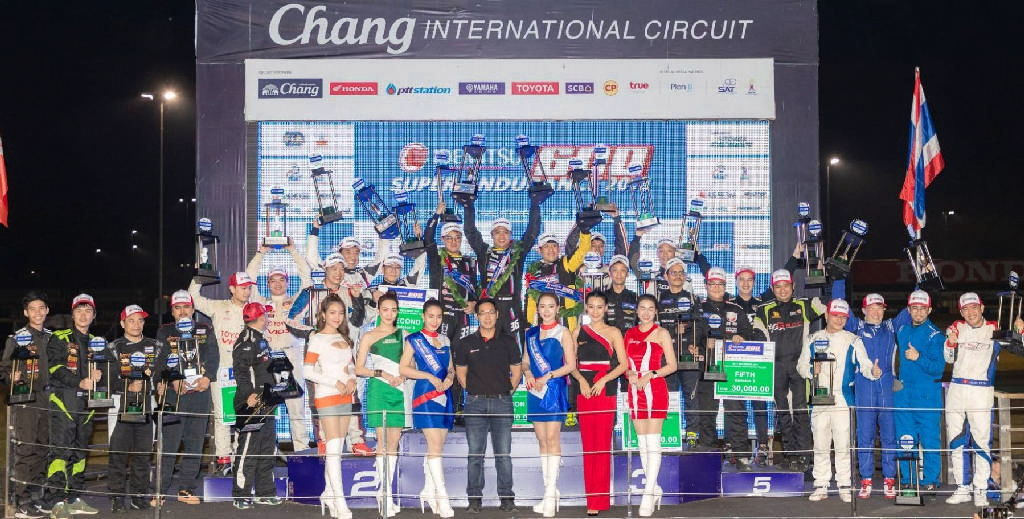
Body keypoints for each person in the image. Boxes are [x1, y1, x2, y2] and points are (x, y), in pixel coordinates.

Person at [943, 293, 1024, 507]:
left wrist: (1020, 331)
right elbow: (948, 359)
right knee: (956, 441)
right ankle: (962, 488)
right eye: (966, 309)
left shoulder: (995, 329)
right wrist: (950, 343)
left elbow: (1019, 349)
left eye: (974, 307)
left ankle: (980, 489)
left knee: (981, 443)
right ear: (961, 312)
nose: (971, 312)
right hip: (956, 389)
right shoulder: (956, 328)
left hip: (981, 391)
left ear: (982, 307)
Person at [831, 279, 910, 499]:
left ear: (884, 310)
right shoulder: (856, 326)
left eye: (880, 308)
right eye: (872, 308)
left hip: (886, 388)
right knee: (864, 436)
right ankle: (865, 479)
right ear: (864, 310)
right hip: (864, 388)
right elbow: (839, 303)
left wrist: (922, 278)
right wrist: (839, 278)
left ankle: (889, 479)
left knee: (889, 436)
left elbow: (912, 306)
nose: (876, 313)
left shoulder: (891, 326)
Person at [798, 299, 879, 503]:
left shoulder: (853, 340)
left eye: (843, 317)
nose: (839, 320)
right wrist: (811, 370)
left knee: (844, 445)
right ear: (826, 315)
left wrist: (873, 371)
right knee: (820, 444)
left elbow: (865, 365)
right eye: (836, 315)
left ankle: (844, 485)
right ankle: (821, 485)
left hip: (842, 398)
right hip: (819, 398)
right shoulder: (813, 338)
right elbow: (800, 366)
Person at [454, 297, 522, 513]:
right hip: (475, 404)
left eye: (491, 312)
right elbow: (461, 374)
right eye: (483, 313)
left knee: (503, 455)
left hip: (502, 403)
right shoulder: (466, 343)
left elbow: (517, 371)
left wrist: (506, 392)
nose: (487, 317)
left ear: (497, 314)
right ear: (477, 316)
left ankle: (507, 499)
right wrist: (476, 392)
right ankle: (474, 499)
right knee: (475, 454)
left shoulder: (508, 341)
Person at [753, 269, 825, 472]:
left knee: (801, 411)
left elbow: (830, 308)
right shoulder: (763, 310)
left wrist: (827, 278)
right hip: (776, 368)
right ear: (772, 288)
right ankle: (790, 455)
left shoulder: (805, 305)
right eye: (778, 287)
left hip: (800, 367)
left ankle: (804, 456)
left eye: (786, 286)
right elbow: (757, 335)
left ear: (793, 286)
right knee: (783, 413)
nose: (782, 290)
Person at [153, 290, 218, 506]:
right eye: (177, 308)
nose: (182, 312)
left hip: (199, 393)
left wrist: (208, 377)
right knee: (168, 444)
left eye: (186, 307)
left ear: (193, 309)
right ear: (172, 311)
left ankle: (186, 489)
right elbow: (160, 361)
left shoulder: (205, 329)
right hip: (174, 395)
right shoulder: (165, 331)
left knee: (195, 444)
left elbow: (213, 356)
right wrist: (170, 379)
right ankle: (159, 491)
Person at [44, 294, 106, 518]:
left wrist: (101, 375)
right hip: (64, 401)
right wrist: (79, 381)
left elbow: (108, 369)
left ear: (94, 315)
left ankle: (74, 497)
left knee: (80, 453)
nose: (83, 315)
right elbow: (54, 368)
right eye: (79, 310)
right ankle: (56, 501)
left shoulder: (98, 342)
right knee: (61, 452)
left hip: (87, 405)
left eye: (88, 311)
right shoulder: (59, 337)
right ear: (72, 314)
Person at [246, 243, 313, 449]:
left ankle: (301, 450)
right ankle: (266, 452)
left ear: (287, 281)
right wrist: (260, 253)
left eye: (281, 279)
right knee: (264, 408)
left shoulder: (295, 303)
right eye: (273, 280)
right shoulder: (259, 303)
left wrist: (292, 250)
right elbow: (249, 278)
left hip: (291, 359)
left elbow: (307, 280)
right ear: (267, 283)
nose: (277, 284)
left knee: (296, 409)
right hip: (267, 361)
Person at [189, 271, 257, 473]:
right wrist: (197, 280)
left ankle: (240, 457)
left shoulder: (255, 310)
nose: (246, 292)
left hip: (247, 372)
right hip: (222, 371)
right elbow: (194, 300)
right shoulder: (219, 307)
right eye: (242, 288)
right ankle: (223, 460)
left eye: (249, 288)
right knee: (222, 417)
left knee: (245, 415)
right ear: (232, 289)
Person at [571, 291, 627, 517]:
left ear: (606, 309)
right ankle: (590, 500)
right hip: (584, 392)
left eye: (599, 307)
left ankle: (600, 500)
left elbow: (623, 364)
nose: (595, 311)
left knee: (603, 446)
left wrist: (604, 379)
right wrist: (581, 380)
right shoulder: (577, 331)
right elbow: (571, 364)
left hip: (606, 390)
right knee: (589, 447)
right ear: (586, 308)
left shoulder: (614, 332)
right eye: (591, 306)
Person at [522, 292, 578, 517]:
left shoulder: (563, 332)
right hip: (534, 390)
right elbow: (525, 361)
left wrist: (549, 376)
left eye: (551, 306)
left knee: (552, 439)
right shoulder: (530, 334)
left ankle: (549, 496)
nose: (546, 310)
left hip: (554, 390)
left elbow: (571, 365)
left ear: (557, 309)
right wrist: (527, 373)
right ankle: (550, 493)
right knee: (541, 439)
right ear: (537, 309)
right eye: (542, 306)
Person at [464, 189, 544, 345]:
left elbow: (532, 232)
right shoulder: (484, 252)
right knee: (490, 348)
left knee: (516, 348)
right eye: (497, 232)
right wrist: (468, 206)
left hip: (512, 309)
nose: (502, 236)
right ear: (492, 235)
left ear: (511, 234)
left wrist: (535, 204)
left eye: (506, 232)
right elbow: (470, 232)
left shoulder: (517, 252)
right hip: (490, 309)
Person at [303, 294, 358, 519]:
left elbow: (350, 365)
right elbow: (307, 371)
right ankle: (340, 501)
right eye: (333, 312)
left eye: (341, 313)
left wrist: (352, 378)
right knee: (334, 450)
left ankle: (328, 493)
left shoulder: (344, 337)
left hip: (345, 397)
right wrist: (334, 382)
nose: (337, 317)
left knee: (338, 450)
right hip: (327, 396)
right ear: (323, 314)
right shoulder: (317, 339)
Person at [400, 300, 456, 518]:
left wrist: (450, 378)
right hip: (425, 394)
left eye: (439, 317)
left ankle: (428, 490)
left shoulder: (445, 340)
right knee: (434, 445)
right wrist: (428, 376)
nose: (435, 320)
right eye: (431, 316)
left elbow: (450, 368)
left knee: (438, 446)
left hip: (444, 394)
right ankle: (443, 498)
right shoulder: (414, 339)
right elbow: (404, 369)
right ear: (423, 316)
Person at [698, 267, 757, 468]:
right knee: (707, 413)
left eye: (720, 284)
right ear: (706, 285)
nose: (716, 287)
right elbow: (690, 338)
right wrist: (702, 345)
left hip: (732, 369)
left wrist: (742, 337)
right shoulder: (698, 308)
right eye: (712, 284)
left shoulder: (736, 309)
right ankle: (709, 457)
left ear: (725, 286)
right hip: (707, 368)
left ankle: (741, 456)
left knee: (736, 412)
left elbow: (750, 334)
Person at [624, 295, 677, 517]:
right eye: (642, 308)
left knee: (653, 442)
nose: (646, 312)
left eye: (650, 308)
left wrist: (650, 374)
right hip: (635, 391)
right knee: (642, 443)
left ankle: (648, 493)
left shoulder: (662, 333)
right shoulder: (629, 334)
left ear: (656, 312)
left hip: (655, 390)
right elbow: (625, 365)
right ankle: (655, 489)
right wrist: (630, 374)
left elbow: (672, 366)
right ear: (636, 311)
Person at [355, 291, 406, 517]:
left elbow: (410, 364)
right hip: (378, 390)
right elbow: (359, 369)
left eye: (393, 310)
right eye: (385, 309)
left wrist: (402, 377)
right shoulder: (369, 336)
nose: (389, 314)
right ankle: (384, 494)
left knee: (393, 444)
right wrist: (381, 373)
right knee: (382, 443)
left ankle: (386, 493)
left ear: (398, 312)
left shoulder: (404, 334)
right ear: (378, 311)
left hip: (399, 390)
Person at [1, 292, 51, 518]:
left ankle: (36, 496)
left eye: (41, 308)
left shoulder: (52, 338)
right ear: (25, 312)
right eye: (33, 309)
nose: (37, 312)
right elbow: (4, 369)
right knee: (26, 448)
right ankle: (20, 499)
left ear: (47, 310)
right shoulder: (16, 338)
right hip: (26, 399)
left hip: (48, 399)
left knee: (44, 448)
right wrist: (11, 376)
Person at [231, 302, 284, 509]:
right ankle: (241, 495)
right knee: (248, 449)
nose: (268, 318)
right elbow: (241, 371)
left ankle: (265, 492)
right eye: (266, 315)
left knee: (267, 448)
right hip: (252, 403)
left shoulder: (261, 339)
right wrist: (248, 396)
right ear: (261, 318)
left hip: (267, 400)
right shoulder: (246, 340)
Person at [893, 290, 946, 494]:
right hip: (904, 395)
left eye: (922, 309)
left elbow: (939, 368)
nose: (918, 312)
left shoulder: (936, 335)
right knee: (905, 440)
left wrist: (919, 357)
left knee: (930, 439)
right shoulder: (902, 330)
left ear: (929, 310)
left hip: (927, 396)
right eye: (914, 308)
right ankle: (908, 480)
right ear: (908, 310)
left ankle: (931, 480)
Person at [108, 305, 157, 512]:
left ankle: (139, 496)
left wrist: (162, 384)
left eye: (140, 320)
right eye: (131, 320)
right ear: (122, 324)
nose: (136, 324)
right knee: (118, 454)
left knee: (143, 455)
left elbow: (162, 372)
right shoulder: (113, 347)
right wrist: (126, 385)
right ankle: (117, 497)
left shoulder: (155, 346)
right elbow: (107, 379)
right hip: (120, 404)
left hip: (147, 404)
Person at [654, 258, 705, 448]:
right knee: (668, 397)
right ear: (666, 276)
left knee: (692, 397)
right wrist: (674, 330)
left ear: (685, 276)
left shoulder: (693, 298)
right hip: (666, 358)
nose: (677, 276)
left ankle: (692, 435)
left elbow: (700, 324)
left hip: (687, 355)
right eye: (673, 273)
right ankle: (670, 434)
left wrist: (694, 343)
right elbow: (654, 327)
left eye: (681, 273)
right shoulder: (658, 299)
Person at [423, 201, 478, 342]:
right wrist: (436, 215)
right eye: (449, 238)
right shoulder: (436, 259)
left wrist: (474, 304)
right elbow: (428, 238)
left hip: (463, 317)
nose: (454, 242)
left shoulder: (469, 262)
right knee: (442, 351)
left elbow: (475, 290)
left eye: (457, 238)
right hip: (442, 316)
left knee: (462, 353)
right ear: (442, 239)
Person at [525, 231, 591, 330]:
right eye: (546, 246)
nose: (551, 250)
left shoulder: (567, 265)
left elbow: (582, 252)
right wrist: (527, 324)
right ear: (539, 250)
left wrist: (585, 232)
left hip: (566, 326)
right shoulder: (533, 271)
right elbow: (529, 299)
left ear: (559, 249)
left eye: (554, 246)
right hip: (541, 327)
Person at [565, 206, 630, 291]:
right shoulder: (578, 268)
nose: (597, 249)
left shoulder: (609, 270)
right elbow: (570, 245)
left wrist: (616, 218)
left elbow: (622, 249)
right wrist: (582, 220)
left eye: (601, 246)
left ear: (604, 250)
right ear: (586, 248)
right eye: (593, 245)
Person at [602, 255, 637, 334]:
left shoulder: (635, 297)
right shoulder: (602, 297)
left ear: (627, 273)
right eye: (615, 270)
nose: (619, 274)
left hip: (629, 339)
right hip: (607, 339)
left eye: (622, 270)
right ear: (609, 273)